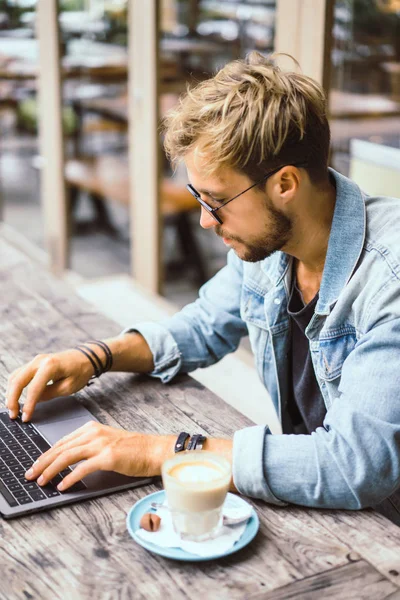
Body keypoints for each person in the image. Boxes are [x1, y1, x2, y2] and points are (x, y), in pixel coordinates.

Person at [6, 52, 400, 524]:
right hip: (324, 507)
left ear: (285, 184)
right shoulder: (275, 245)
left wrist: (164, 452)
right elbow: (202, 326)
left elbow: (354, 466)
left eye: (216, 201)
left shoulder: (388, 282)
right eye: (198, 197)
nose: (204, 220)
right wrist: (95, 358)